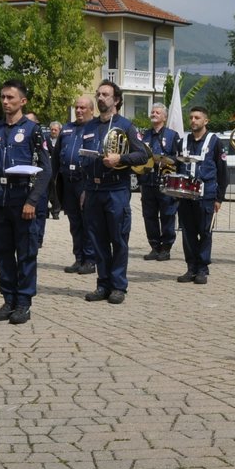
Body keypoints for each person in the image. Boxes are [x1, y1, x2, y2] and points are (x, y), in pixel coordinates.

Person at [0, 80, 52, 325]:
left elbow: (45, 170)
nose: (5, 102)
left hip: (22, 199)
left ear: (23, 101)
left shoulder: (33, 130)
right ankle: (8, 299)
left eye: (10, 98)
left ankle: (23, 302)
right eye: (2, 97)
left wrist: (33, 200)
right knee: (2, 253)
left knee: (25, 253)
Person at [80, 80, 146, 304]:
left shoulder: (126, 126)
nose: (100, 98)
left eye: (105, 95)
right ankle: (103, 283)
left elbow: (143, 156)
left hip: (116, 189)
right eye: (98, 94)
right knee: (97, 240)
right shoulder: (89, 126)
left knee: (118, 239)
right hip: (93, 189)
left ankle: (118, 286)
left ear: (116, 100)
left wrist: (120, 158)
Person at [175, 106, 225, 284]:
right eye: (191, 118)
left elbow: (222, 172)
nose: (193, 121)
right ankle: (191, 268)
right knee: (187, 233)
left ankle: (202, 269)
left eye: (197, 118)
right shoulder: (182, 142)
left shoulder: (215, 142)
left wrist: (219, 198)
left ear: (206, 121)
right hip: (186, 195)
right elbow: (175, 167)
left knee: (205, 232)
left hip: (206, 195)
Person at [56, 95, 98, 275]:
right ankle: (79, 257)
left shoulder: (95, 128)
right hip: (68, 181)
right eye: (77, 108)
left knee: (88, 222)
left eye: (83, 108)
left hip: (85, 181)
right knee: (74, 223)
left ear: (91, 110)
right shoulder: (67, 129)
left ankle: (90, 259)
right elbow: (56, 155)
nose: (79, 111)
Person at [139, 104, 180, 261]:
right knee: (149, 216)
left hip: (165, 182)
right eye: (152, 112)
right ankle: (154, 246)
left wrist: (167, 161)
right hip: (148, 182)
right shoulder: (145, 135)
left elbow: (178, 157)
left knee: (167, 215)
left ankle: (166, 247)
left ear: (164, 117)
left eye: (157, 112)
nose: (153, 114)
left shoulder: (172, 135)